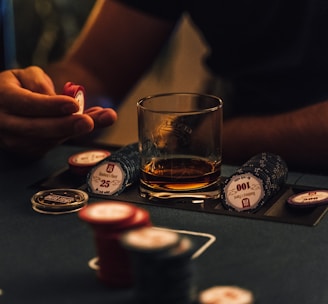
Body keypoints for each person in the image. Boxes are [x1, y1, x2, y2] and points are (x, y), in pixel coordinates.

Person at [1, 0, 328, 172]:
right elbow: (94, 70)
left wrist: (210, 138)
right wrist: (32, 101)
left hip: (227, 148)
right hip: (224, 163)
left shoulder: (210, 137)